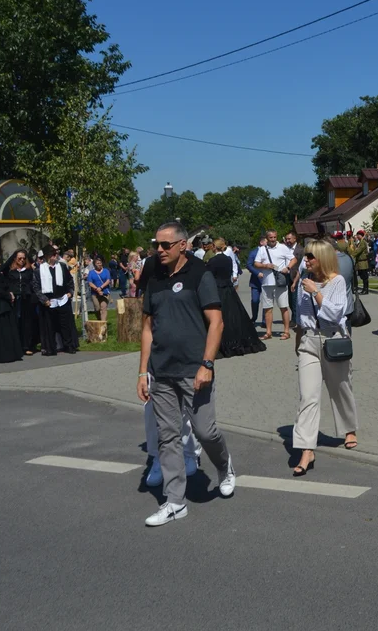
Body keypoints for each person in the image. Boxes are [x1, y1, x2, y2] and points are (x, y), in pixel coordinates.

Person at [137, 221, 235, 527]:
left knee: (205, 431)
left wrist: (207, 364)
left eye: (166, 245)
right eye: (157, 245)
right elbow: (147, 328)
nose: (160, 250)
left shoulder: (199, 275)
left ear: (183, 245)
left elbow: (216, 322)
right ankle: (176, 501)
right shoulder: (153, 278)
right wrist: (142, 373)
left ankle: (224, 467)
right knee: (167, 437)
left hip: (194, 370)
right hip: (161, 371)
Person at [293, 241, 358, 476]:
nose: (306, 260)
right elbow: (301, 317)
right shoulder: (304, 282)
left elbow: (334, 314)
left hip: (333, 341)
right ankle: (306, 448)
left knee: (341, 389)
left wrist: (317, 292)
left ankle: (349, 429)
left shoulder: (337, 281)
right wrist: (298, 343)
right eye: (305, 256)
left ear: (322, 257)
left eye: (310, 256)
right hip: (309, 343)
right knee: (307, 397)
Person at [206, 239, 267, 358]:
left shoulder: (212, 261)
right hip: (228, 288)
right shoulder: (228, 259)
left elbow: (209, 276)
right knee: (234, 315)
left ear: (214, 247)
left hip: (218, 289)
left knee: (219, 316)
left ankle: (222, 342)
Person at [35, 246, 78, 356]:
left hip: (62, 299)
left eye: (56, 254)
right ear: (48, 256)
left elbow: (69, 281)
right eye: (53, 255)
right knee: (50, 326)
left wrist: (70, 292)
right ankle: (51, 348)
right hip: (49, 302)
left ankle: (68, 345)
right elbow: (36, 287)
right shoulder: (40, 270)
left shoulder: (62, 266)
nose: (56, 256)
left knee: (65, 325)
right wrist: (44, 300)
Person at [255, 230, 297, 341]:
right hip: (266, 282)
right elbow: (256, 263)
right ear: (267, 238)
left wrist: (287, 268)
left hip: (280, 282)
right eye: (270, 238)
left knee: (284, 307)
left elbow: (294, 259)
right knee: (267, 308)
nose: (273, 239)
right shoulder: (262, 249)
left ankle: (286, 331)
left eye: (274, 237)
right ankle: (268, 332)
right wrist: (266, 265)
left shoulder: (283, 247)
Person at [246, 235, 268, 325]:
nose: (268, 244)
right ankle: (254, 317)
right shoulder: (254, 252)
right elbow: (249, 265)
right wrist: (257, 273)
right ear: (261, 242)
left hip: (267, 280)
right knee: (255, 300)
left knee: (266, 301)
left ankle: (265, 320)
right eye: (267, 242)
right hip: (255, 281)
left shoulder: (270, 251)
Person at [87, 256, 112, 322]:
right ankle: (99, 320)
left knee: (103, 308)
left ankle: (103, 323)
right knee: (97, 308)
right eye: (97, 263)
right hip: (95, 293)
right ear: (94, 264)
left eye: (100, 263)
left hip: (105, 292)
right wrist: (97, 289)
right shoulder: (91, 272)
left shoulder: (106, 271)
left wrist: (101, 288)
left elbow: (108, 280)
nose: (99, 264)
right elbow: (90, 283)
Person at [350, 230, 371, 295]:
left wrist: (351, 255)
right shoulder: (360, 242)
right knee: (362, 276)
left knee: (364, 277)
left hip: (363, 263)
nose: (357, 236)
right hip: (360, 262)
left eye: (357, 235)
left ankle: (365, 289)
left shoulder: (363, 242)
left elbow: (358, 251)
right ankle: (364, 289)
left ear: (360, 235)